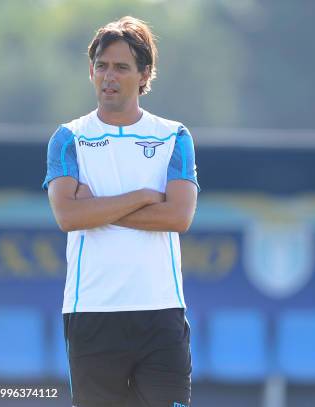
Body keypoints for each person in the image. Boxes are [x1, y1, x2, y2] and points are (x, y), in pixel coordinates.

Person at [42, 16, 199, 407]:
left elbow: (178, 218)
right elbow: (67, 217)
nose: (108, 76)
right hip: (92, 311)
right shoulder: (69, 138)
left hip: (160, 313)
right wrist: (146, 195)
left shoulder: (173, 136)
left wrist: (94, 208)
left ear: (145, 73)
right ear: (91, 70)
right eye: (101, 66)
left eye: (121, 67)